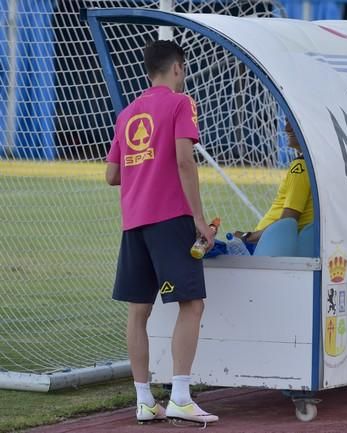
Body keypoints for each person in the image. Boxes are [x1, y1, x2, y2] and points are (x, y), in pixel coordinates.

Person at [105, 40, 218, 425]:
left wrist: (144, 165)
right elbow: (186, 161)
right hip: (170, 220)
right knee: (191, 305)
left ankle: (143, 401)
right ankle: (182, 397)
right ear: (178, 68)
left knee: (139, 312)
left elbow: (112, 175)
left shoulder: (128, 113)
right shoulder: (180, 104)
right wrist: (199, 219)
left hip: (134, 224)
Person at [234, 121, 313, 247]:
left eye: (293, 122)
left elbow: (287, 222)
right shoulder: (314, 167)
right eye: (287, 122)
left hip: (271, 248)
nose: (287, 128)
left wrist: (248, 237)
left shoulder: (301, 167)